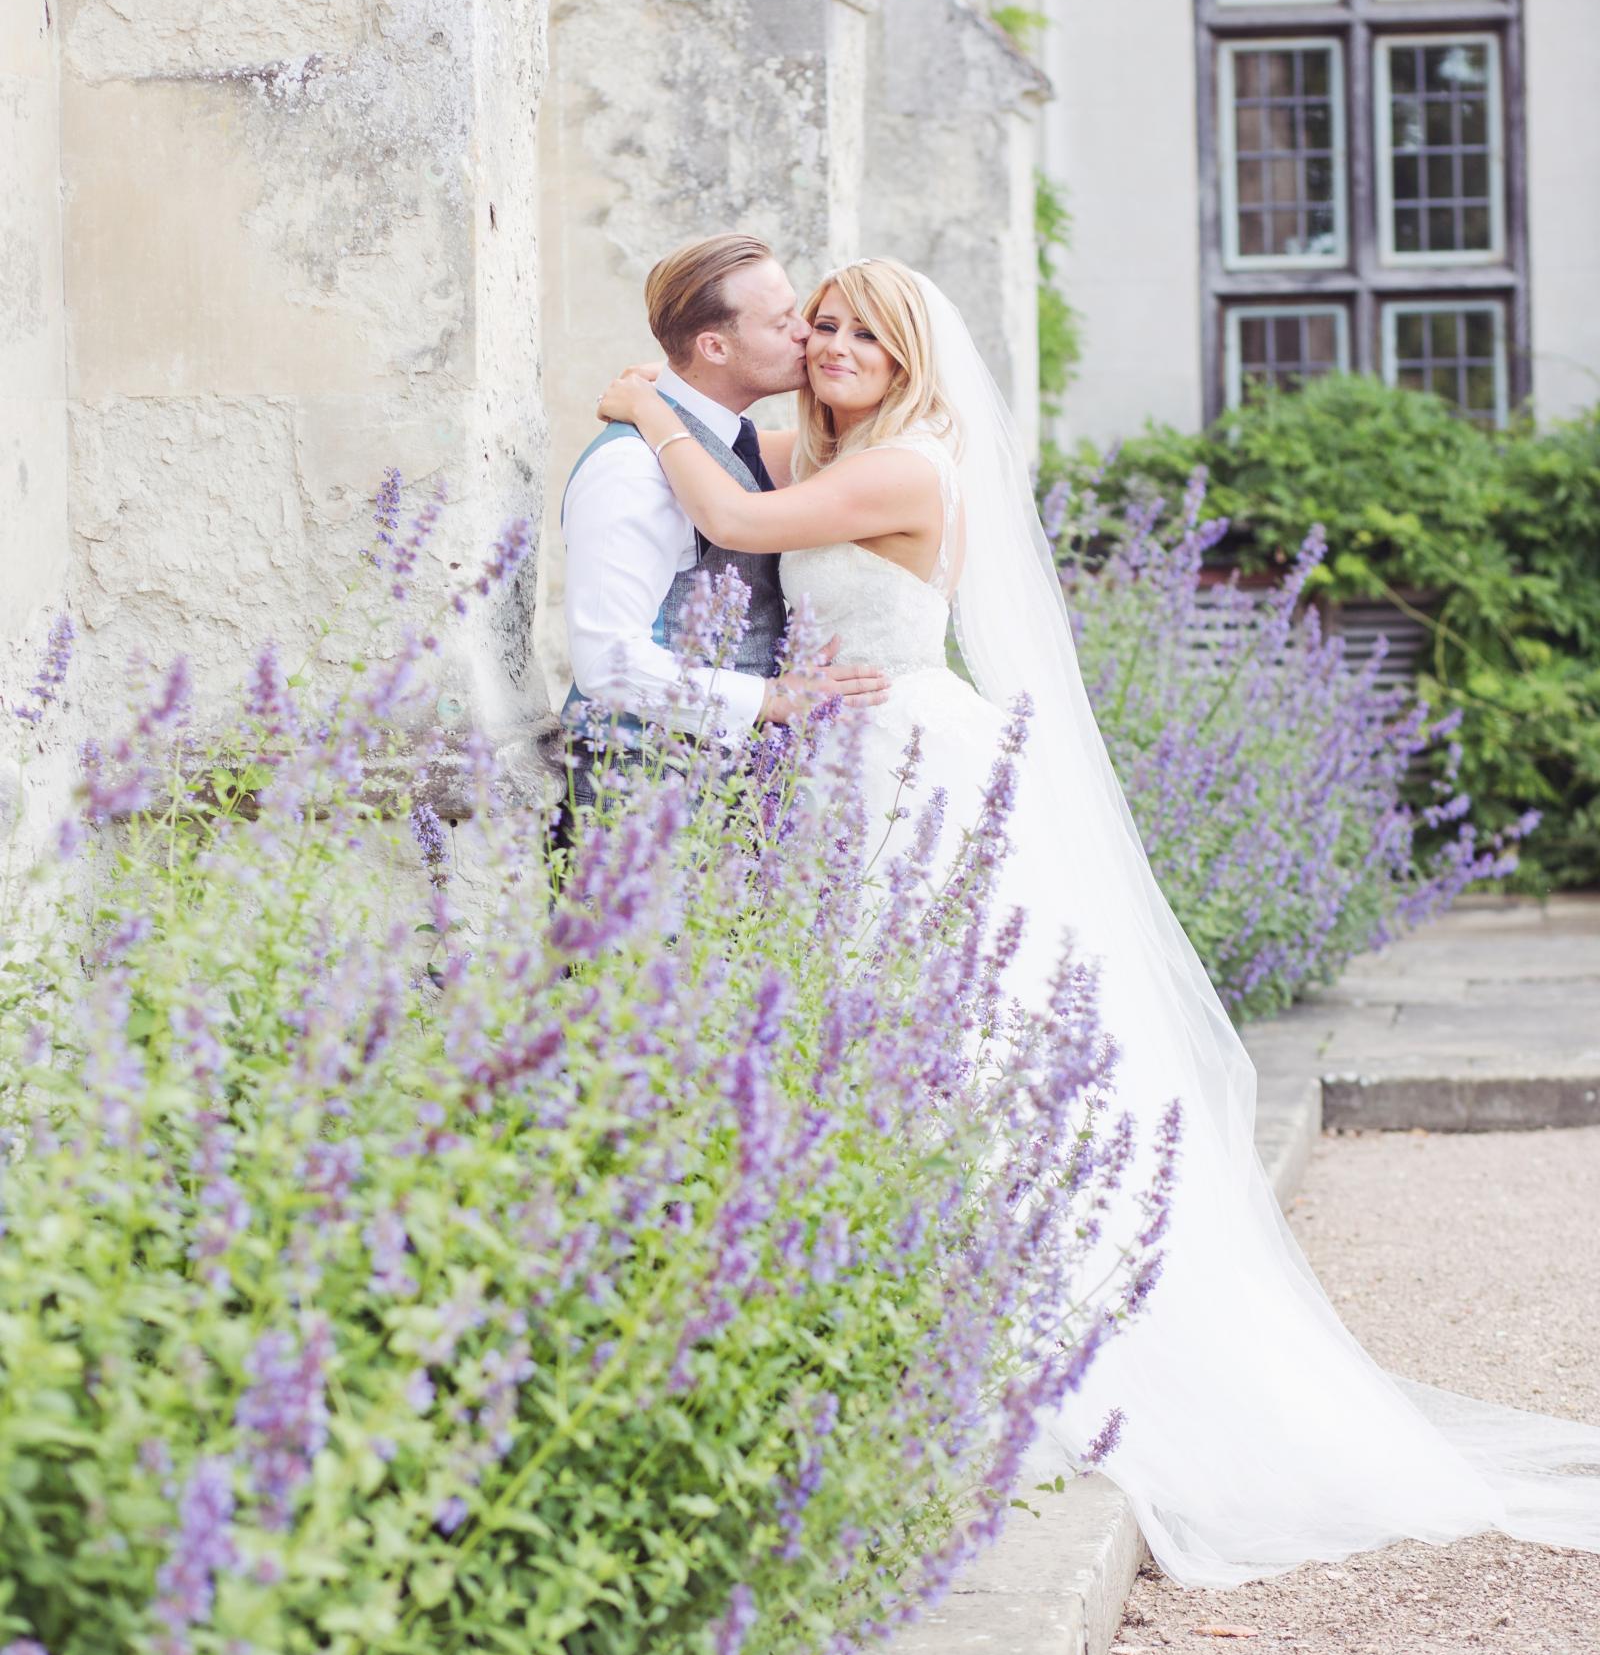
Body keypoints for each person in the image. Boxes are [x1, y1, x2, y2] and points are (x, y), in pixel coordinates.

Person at [595, 257, 1600, 1587]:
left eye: (862, 336)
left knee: (958, 1050)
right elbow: (742, 450)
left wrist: (640, 405)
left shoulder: (907, 468)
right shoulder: (827, 448)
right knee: (879, 1044)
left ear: (908, 358)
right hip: (840, 765)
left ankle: (1011, 1359)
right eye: (820, 326)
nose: (832, 346)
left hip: (909, 770)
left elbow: (727, 505)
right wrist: (691, 403)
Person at [559, 234, 888, 804]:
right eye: (782, 322)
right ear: (714, 347)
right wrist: (769, 699)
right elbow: (607, 662)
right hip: (643, 802)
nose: (806, 334)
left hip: (722, 797)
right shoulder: (630, 468)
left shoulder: (727, 439)